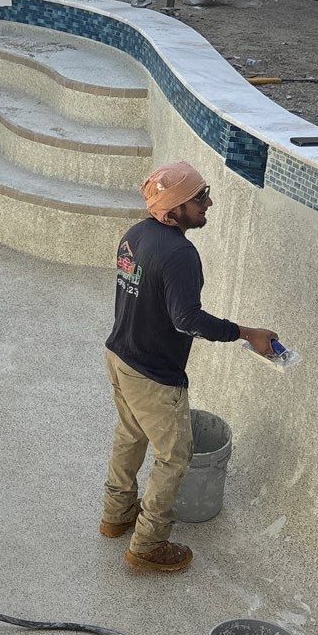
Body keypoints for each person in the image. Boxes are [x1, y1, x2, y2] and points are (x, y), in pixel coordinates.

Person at [102, 162, 277, 574]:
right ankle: (147, 544)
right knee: (174, 457)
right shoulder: (181, 254)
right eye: (200, 197)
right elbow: (187, 320)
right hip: (154, 374)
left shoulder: (135, 235)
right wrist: (246, 332)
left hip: (120, 357)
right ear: (174, 207)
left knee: (130, 434)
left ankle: (116, 516)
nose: (209, 203)